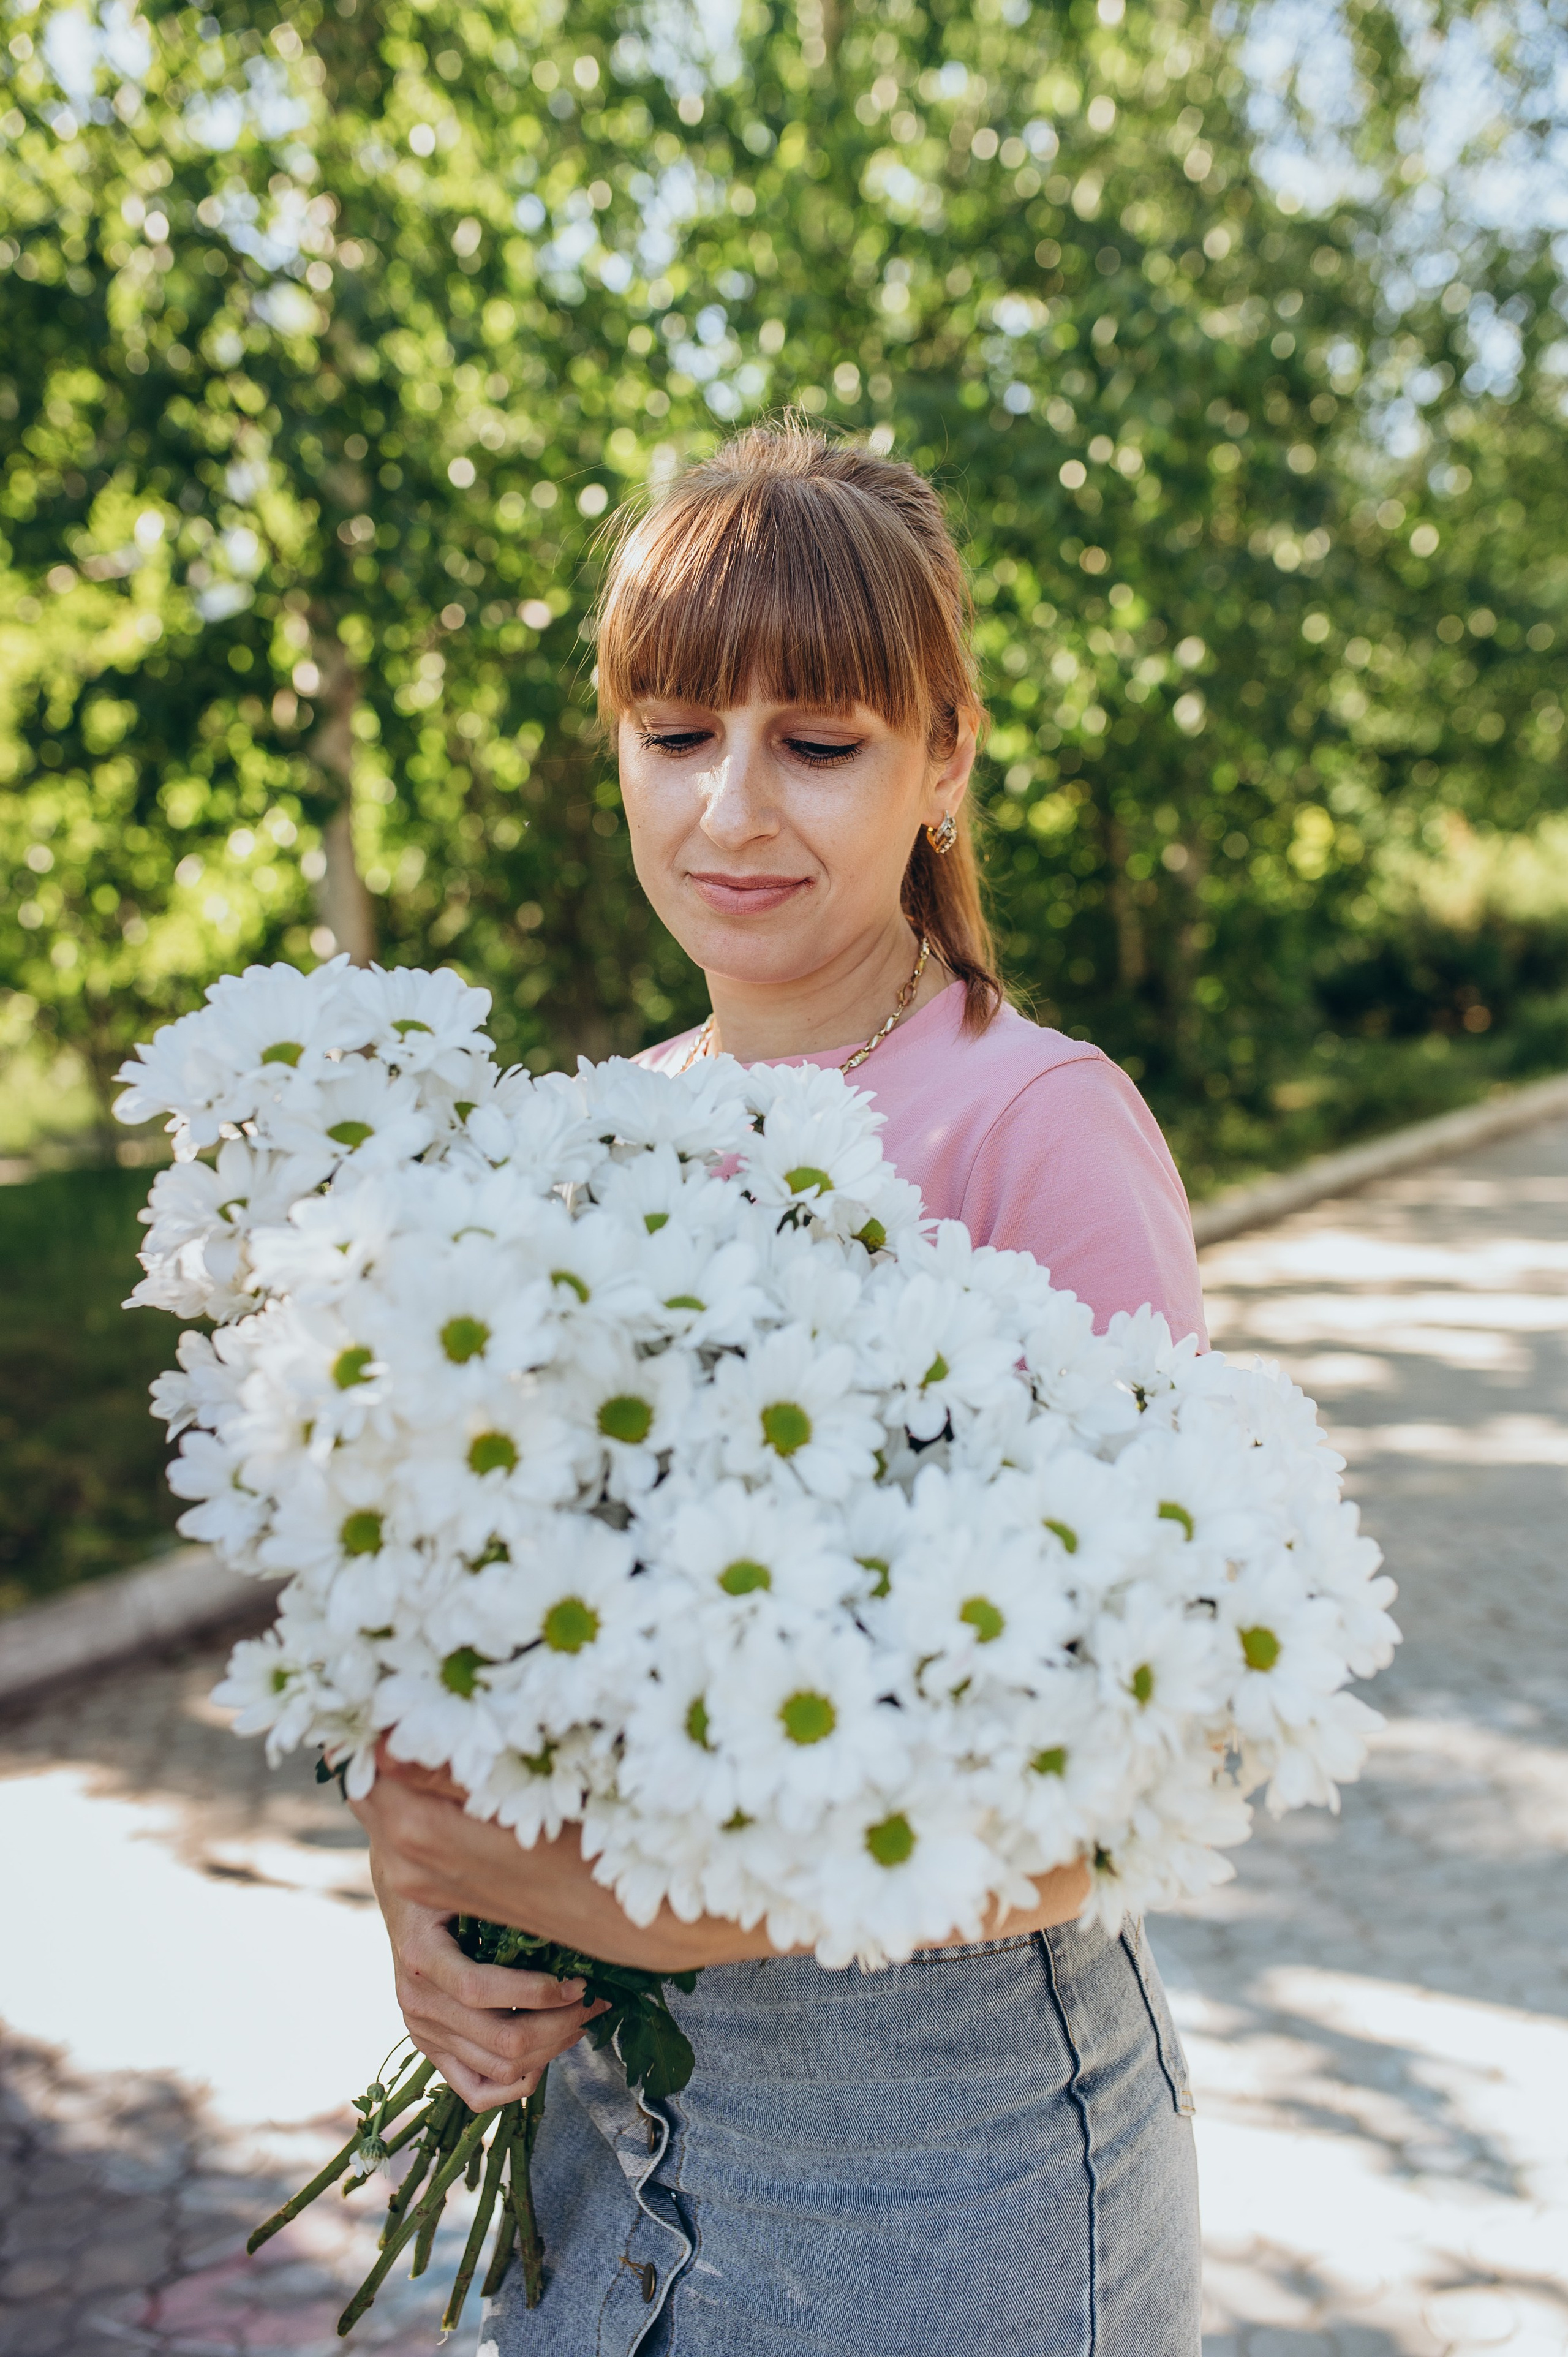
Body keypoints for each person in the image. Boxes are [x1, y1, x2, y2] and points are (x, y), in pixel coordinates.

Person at [352, 424, 1207, 2356]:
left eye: (816, 743)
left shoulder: (1036, 1127)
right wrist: (423, 1893)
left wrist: (650, 1913)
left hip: (944, 2188)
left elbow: (1135, 1775)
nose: (731, 807)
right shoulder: (585, 1141)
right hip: (605, 2165)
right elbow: (462, 1617)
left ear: (945, 758)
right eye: (675, 733)